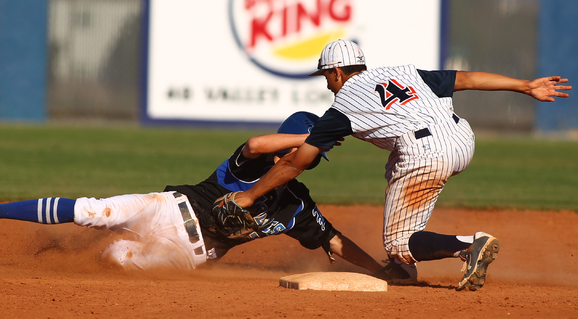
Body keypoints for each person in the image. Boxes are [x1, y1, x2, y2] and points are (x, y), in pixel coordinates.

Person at [218, 39, 572, 290]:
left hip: (425, 152)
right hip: (462, 138)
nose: (327, 84)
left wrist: (249, 197)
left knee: (398, 241)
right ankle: (402, 270)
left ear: (338, 72)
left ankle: (467, 244)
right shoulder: (402, 73)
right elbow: (465, 79)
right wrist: (526, 87)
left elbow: (297, 162)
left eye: (326, 76)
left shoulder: (342, 107)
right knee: (396, 165)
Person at [0, 111, 384, 274]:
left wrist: (380, 271)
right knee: (94, 210)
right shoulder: (252, 161)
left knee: (121, 260)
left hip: (189, 256)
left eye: (312, 156)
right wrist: (310, 136)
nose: (308, 161)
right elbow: (255, 143)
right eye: (304, 152)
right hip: (167, 208)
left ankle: (99, 249)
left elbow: (334, 241)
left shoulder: (298, 206)